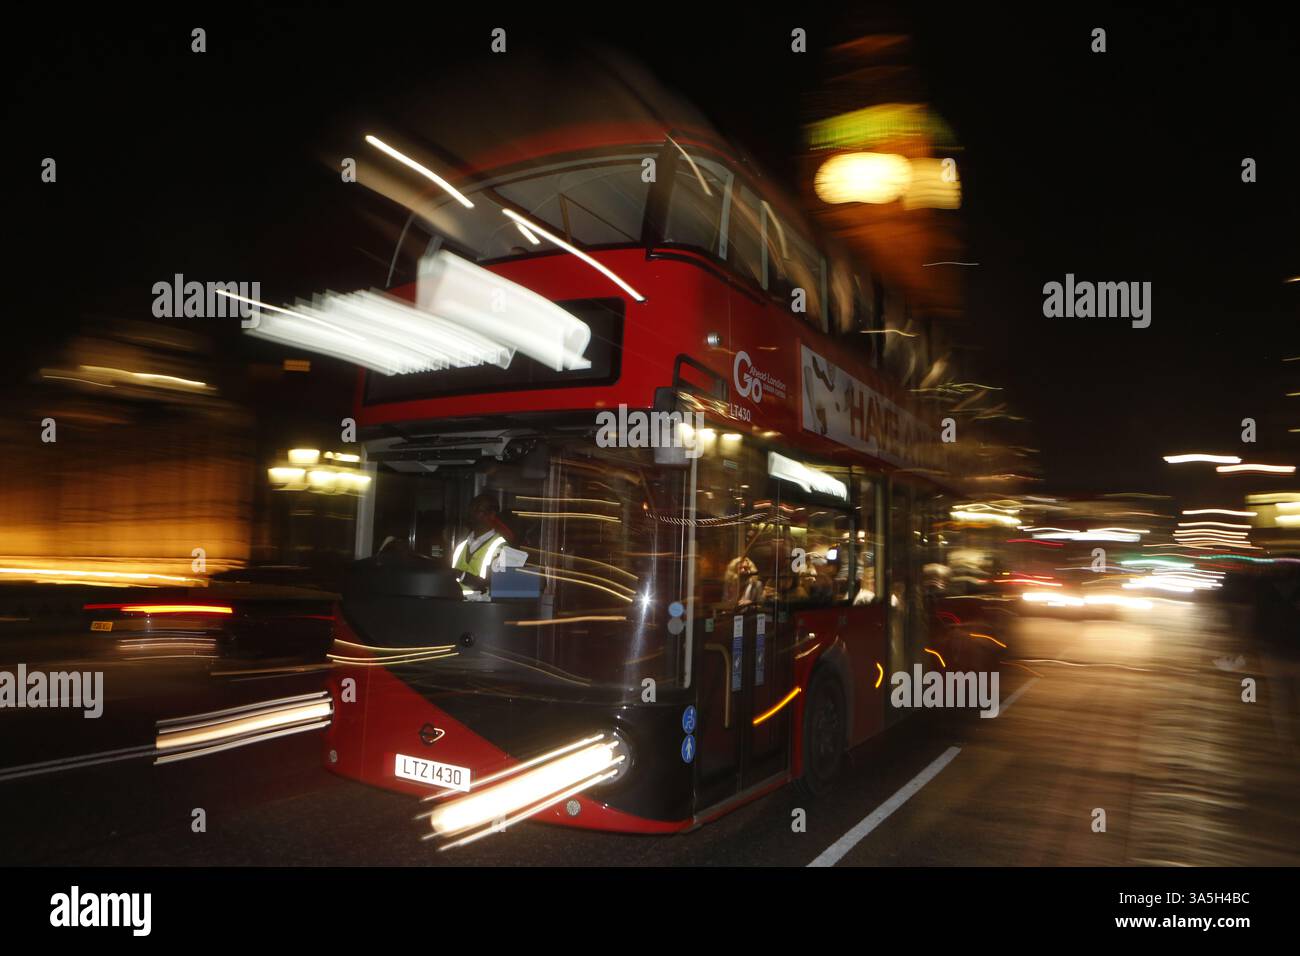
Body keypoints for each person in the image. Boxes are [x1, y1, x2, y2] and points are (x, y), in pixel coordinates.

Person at [451, 494, 509, 595]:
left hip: (481, 608)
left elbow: (496, 587)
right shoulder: (461, 546)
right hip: (456, 606)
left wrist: (463, 576)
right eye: (472, 508)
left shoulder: (501, 547)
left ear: (492, 515)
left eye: (479, 510)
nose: (472, 513)